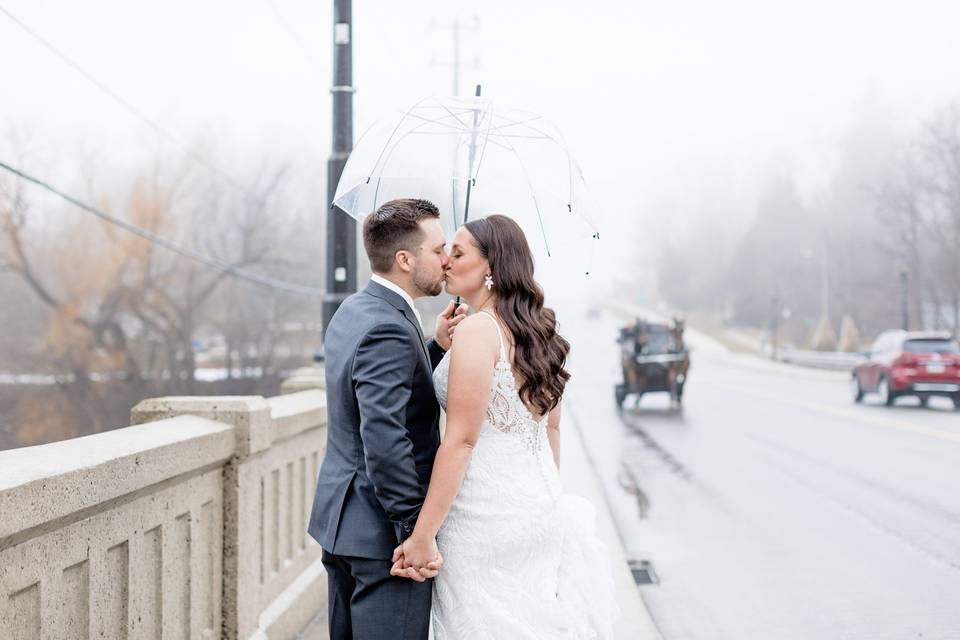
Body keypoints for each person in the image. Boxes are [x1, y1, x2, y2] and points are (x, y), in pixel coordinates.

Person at [392, 214, 618, 639]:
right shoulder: (540, 333)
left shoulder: (479, 330)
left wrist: (422, 536)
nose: (445, 263)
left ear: (491, 266)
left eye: (457, 254)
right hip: (540, 505)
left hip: (484, 517)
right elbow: (551, 430)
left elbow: (460, 441)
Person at [307, 198, 465, 640]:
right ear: (405, 259)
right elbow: (384, 436)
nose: (445, 259)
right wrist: (416, 531)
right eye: (437, 250)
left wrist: (433, 348)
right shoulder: (389, 326)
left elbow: (376, 393)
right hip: (382, 541)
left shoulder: (357, 310)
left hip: (341, 524)